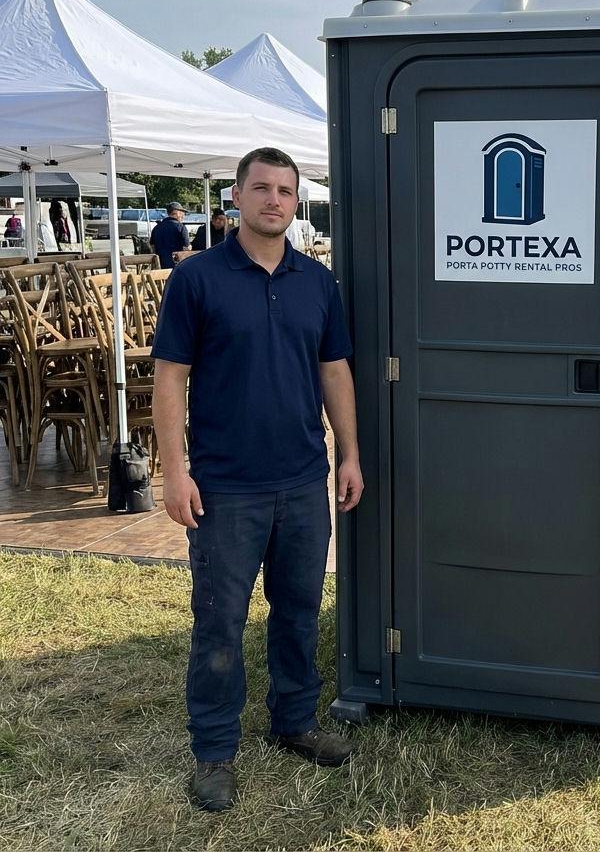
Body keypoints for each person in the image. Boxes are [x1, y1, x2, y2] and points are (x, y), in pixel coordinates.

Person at [152, 147, 363, 813]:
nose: (275, 201)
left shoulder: (316, 282)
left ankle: (294, 721)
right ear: (236, 198)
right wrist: (174, 472)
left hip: (303, 479)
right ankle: (214, 752)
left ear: (297, 203)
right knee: (219, 625)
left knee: (298, 612)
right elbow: (169, 377)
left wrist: (349, 455)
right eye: (263, 189)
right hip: (226, 488)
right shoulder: (198, 279)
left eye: (286, 191)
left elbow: (335, 371)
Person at [151, 202, 191, 268]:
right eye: (182, 213)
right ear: (176, 213)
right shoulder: (181, 227)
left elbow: (152, 247)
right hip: (176, 266)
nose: (183, 216)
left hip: (160, 266)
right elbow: (186, 248)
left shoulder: (156, 228)